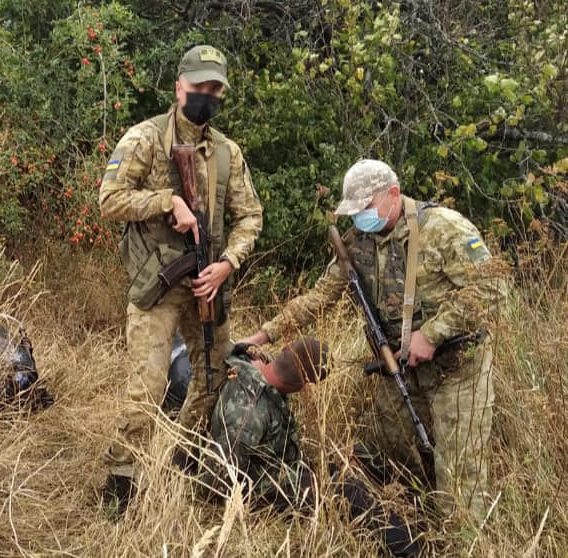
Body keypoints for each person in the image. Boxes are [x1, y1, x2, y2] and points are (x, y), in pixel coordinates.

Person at [240, 159, 508, 522]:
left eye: (365, 209)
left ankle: (463, 537)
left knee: (460, 474)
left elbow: (491, 290)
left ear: (393, 195)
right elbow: (321, 296)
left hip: (457, 366)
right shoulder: (358, 241)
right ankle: (409, 523)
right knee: (390, 452)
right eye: (353, 212)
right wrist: (264, 333)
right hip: (398, 368)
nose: (358, 219)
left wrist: (430, 334)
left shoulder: (445, 229)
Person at [98, 45, 263, 512]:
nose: (206, 97)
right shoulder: (144, 140)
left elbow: (250, 216)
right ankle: (121, 483)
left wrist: (227, 262)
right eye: (199, 87)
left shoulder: (227, 153)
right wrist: (165, 200)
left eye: (215, 90)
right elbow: (109, 200)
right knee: (147, 389)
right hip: (157, 283)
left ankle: (183, 460)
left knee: (213, 377)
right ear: (179, 86)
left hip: (207, 283)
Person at [205, 338, 421, 557]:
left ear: (285, 348)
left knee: (359, 452)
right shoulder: (249, 413)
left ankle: (418, 501)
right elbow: (216, 478)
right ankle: (412, 551)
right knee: (349, 493)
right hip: (262, 484)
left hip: (284, 461)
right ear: (303, 385)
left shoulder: (259, 364)